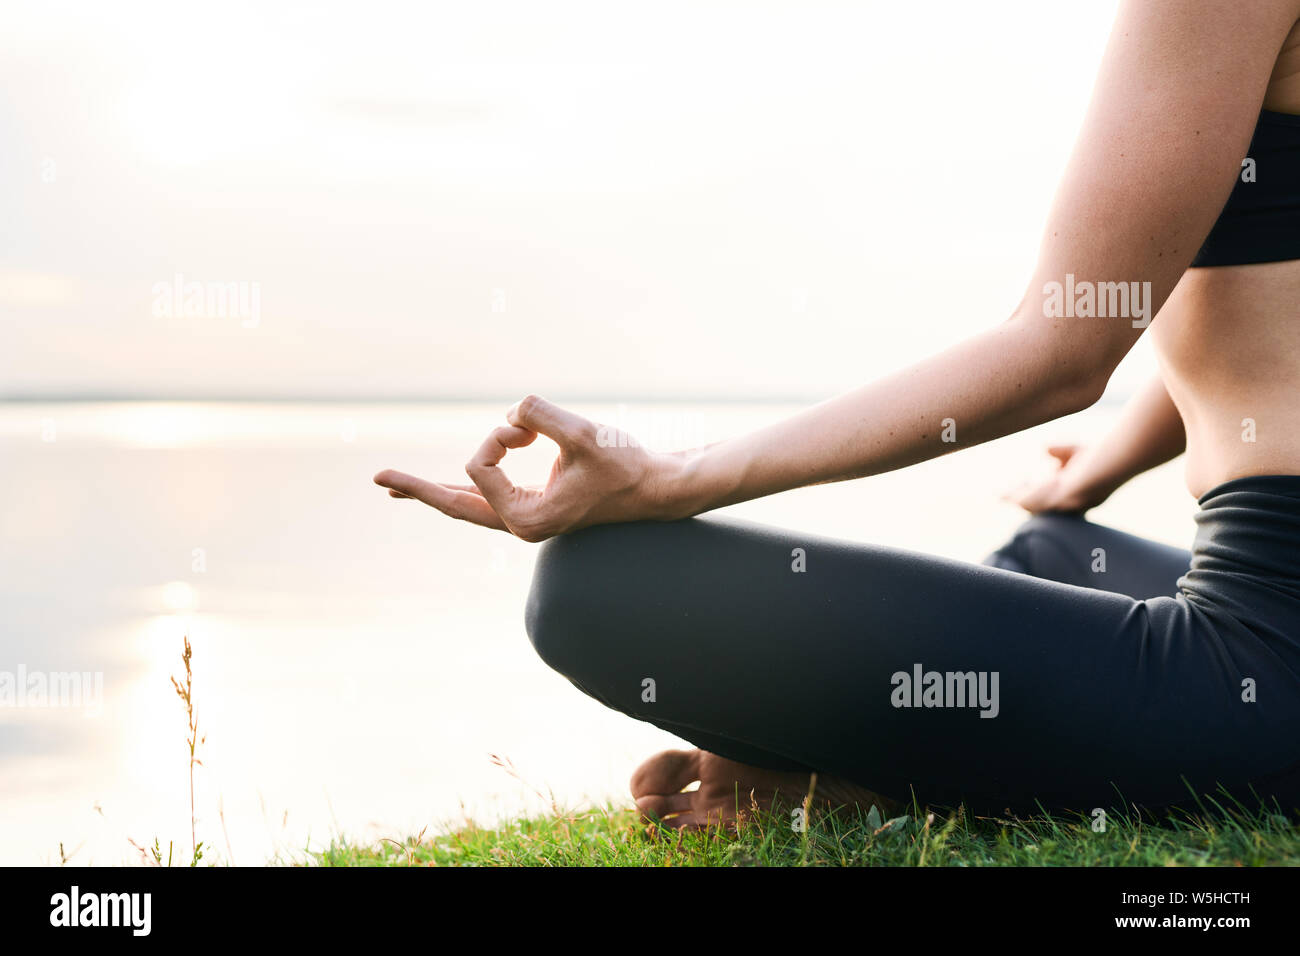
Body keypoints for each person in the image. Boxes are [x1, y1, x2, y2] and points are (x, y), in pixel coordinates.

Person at [376, 0, 1300, 827]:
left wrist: (671, 479)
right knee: (1051, 547)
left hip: (1272, 650)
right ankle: (907, 763)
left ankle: (886, 780)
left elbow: (1060, 348)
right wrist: (1099, 467)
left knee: (590, 591)